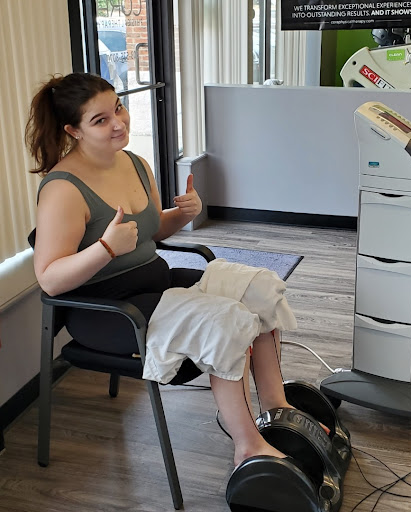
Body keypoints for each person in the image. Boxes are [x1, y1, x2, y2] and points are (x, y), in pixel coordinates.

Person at [25, 72, 303, 468]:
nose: (118, 123)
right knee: (228, 321)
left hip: (155, 283)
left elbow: (151, 230)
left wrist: (183, 215)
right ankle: (248, 446)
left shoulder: (135, 163)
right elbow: (50, 279)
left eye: (118, 108)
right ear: (74, 130)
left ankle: (277, 410)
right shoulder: (63, 189)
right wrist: (105, 248)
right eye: (100, 120)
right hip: (107, 311)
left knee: (260, 291)